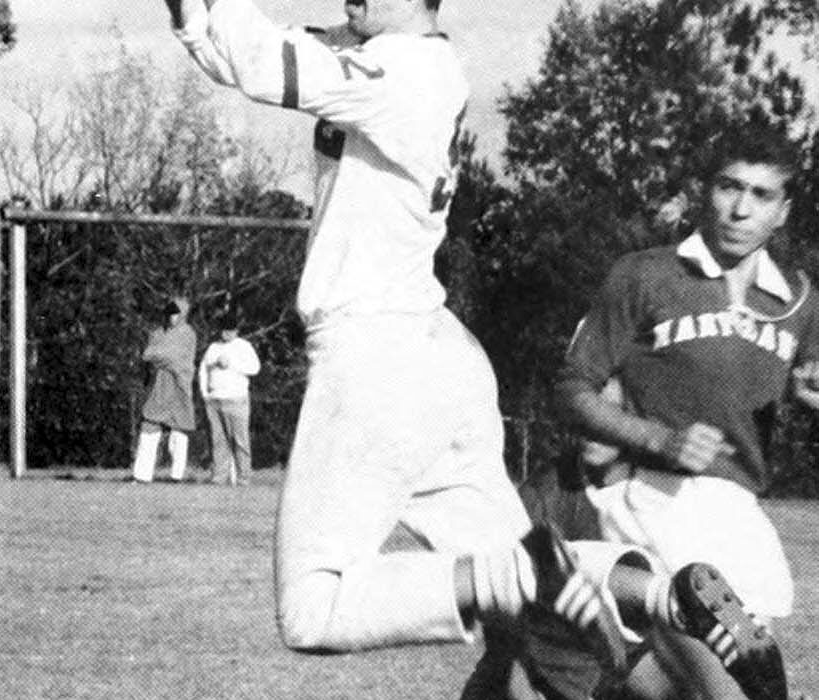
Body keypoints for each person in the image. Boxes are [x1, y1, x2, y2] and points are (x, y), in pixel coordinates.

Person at [161, 1, 780, 697]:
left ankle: (531, 571)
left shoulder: (403, 69)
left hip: (375, 353)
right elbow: (237, 43)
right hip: (434, 355)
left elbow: (255, 59)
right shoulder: (408, 60)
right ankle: (666, 595)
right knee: (528, 611)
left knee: (315, 608)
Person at [554, 122, 818, 699]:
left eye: (761, 195)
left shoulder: (798, 301)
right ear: (706, 190)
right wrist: (659, 439)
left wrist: (811, 392)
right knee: (729, 693)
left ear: (783, 211)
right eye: (729, 187)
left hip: (739, 510)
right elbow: (573, 391)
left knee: (662, 690)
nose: (739, 209)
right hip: (655, 499)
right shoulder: (645, 274)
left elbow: (808, 383)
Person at [132, 296, 197, 483]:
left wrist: (160, 355)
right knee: (149, 428)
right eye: (170, 313)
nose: (172, 318)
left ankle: (176, 475)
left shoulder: (188, 334)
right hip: (158, 388)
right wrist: (163, 356)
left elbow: (177, 358)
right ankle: (142, 475)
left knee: (179, 431)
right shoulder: (157, 333)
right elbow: (147, 354)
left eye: (176, 313)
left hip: (179, 387)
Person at [198, 311, 261, 486]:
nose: (226, 334)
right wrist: (205, 393)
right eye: (224, 330)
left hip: (236, 399)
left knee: (240, 441)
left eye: (230, 330)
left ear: (236, 331)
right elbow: (203, 370)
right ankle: (219, 477)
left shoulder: (244, 346)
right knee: (218, 441)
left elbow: (255, 368)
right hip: (214, 399)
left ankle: (243, 478)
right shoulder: (213, 348)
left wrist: (232, 364)